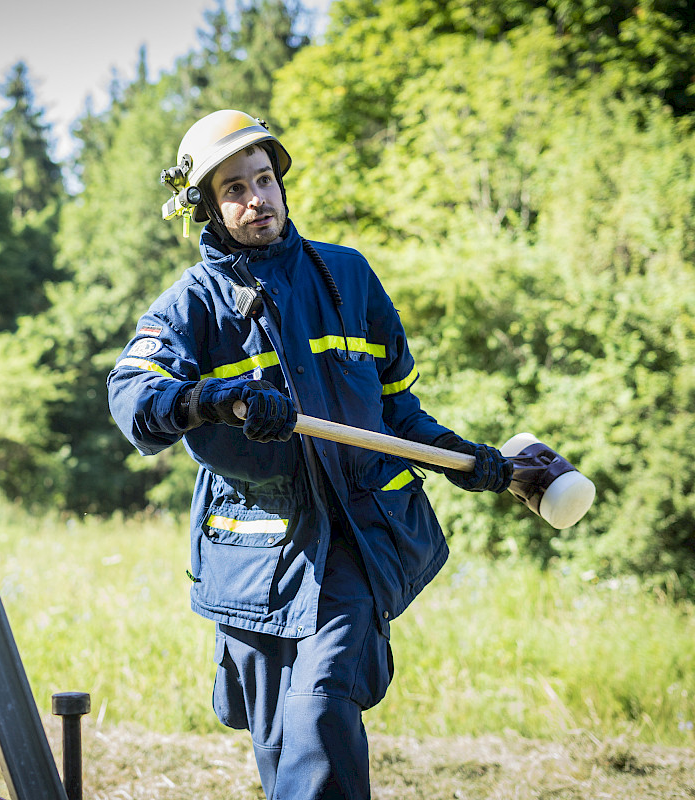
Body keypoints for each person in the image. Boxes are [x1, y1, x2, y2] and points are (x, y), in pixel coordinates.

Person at [106, 110, 512, 799]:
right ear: (206, 206)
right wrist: (218, 398)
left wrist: (460, 458)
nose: (256, 198)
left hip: (355, 544)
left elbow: (398, 409)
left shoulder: (348, 277)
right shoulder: (193, 303)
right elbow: (133, 397)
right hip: (256, 563)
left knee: (320, 720)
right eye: (234, 189)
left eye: (264, 179)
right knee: (282, 753)